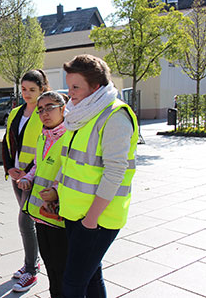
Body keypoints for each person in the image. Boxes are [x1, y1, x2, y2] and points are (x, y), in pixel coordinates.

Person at [58, 54, 138, 298]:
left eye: (75, 87)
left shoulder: (114, 116)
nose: (69, 93)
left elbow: (115, 171)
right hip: (76, 214)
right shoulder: (82, 113)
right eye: (69, 85)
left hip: (97, 218)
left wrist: (91, 220)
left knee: (72, 284)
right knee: (91, 278)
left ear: (96, 87)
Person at [2, 69, 50, 292]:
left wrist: (27, 173)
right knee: (27, 221)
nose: (27, 94)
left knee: (25, 219)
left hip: (35, 177)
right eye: (24, 89)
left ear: (43, 89)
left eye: (32, 89)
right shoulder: (16, 112)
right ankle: (32, 262)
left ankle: (31, 270)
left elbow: (45, 148)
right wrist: (10, 167)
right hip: (17, 175)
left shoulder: (45, 114)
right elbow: (6, 142)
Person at [18, 91, 69, 297]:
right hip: (40, 214)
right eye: (40, 110)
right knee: (50, 265)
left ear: (63, 109)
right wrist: (28, 178)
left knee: (62, 266)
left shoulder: (69, 136)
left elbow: (69, 171)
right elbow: (38, 166)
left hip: (59, 216)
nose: (44, 113)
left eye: (50, 108)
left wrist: (57, 191)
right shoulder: (43, 136)